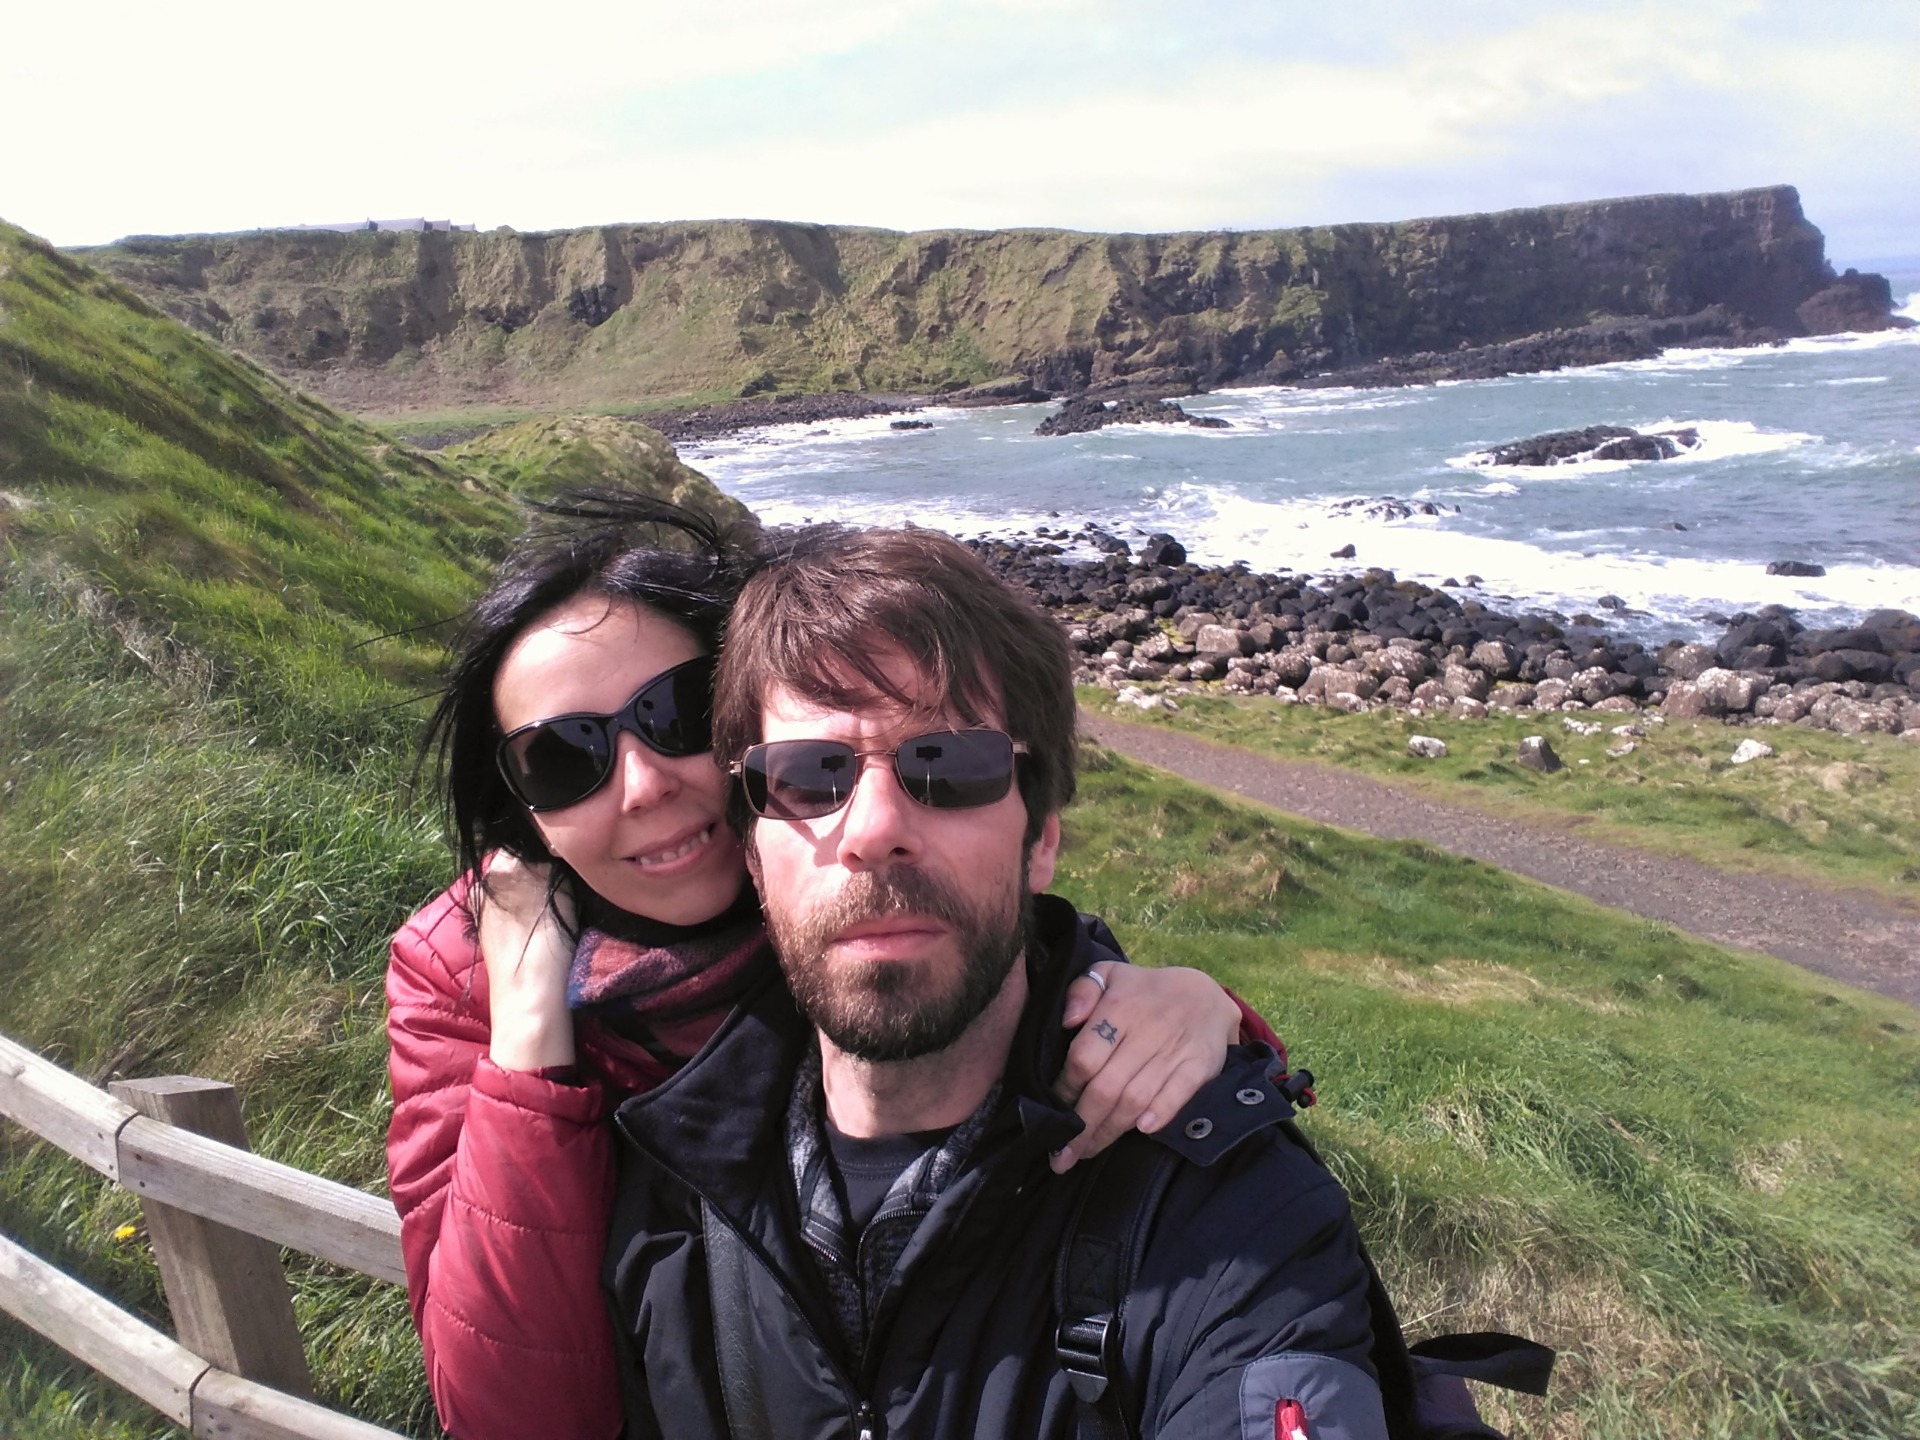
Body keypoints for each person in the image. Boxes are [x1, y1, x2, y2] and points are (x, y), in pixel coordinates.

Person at [384, 498, 1290, 1440]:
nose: (643, 782)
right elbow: (509, 1419)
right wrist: (530, 1035)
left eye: (676, 713)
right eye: (562, 757)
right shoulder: (461, 975)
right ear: (522, 811)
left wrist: (1197, 1009)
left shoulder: (842, 894)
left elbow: (1009, 949)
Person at [603, 525, 1387, 1440]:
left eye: (947, 763)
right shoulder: (666, 1181)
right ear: (750, 847)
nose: (874, 827)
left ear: (1042, 836)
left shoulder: (1232, 1218)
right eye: (812, 776)